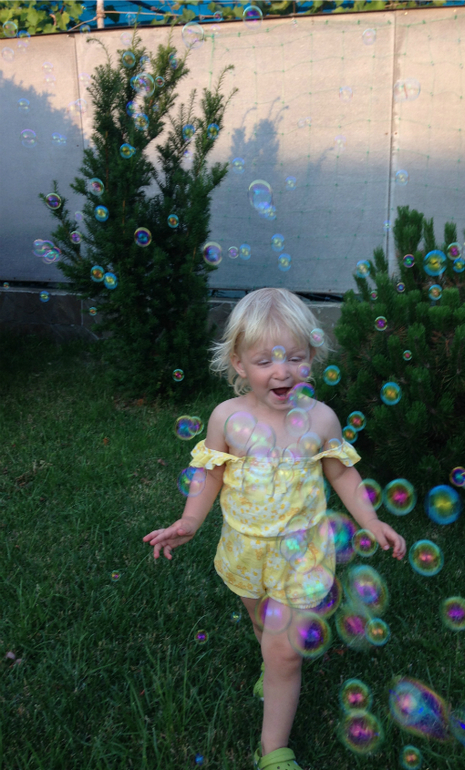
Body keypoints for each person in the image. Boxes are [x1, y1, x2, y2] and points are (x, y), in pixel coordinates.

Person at [143, 287, 406, 770]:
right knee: (263, 624)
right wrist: (190, 520)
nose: (281, 372)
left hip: (303, 554)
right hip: (245, 551)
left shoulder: (320, 419)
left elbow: (342, 474)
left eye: (295, 358)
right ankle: (272, 658)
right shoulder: (227, 417)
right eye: (265, 361)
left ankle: (273, 751)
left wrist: (371, 519)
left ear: (312, 358)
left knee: (285, 652)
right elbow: (210, 475)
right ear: (239, 364)